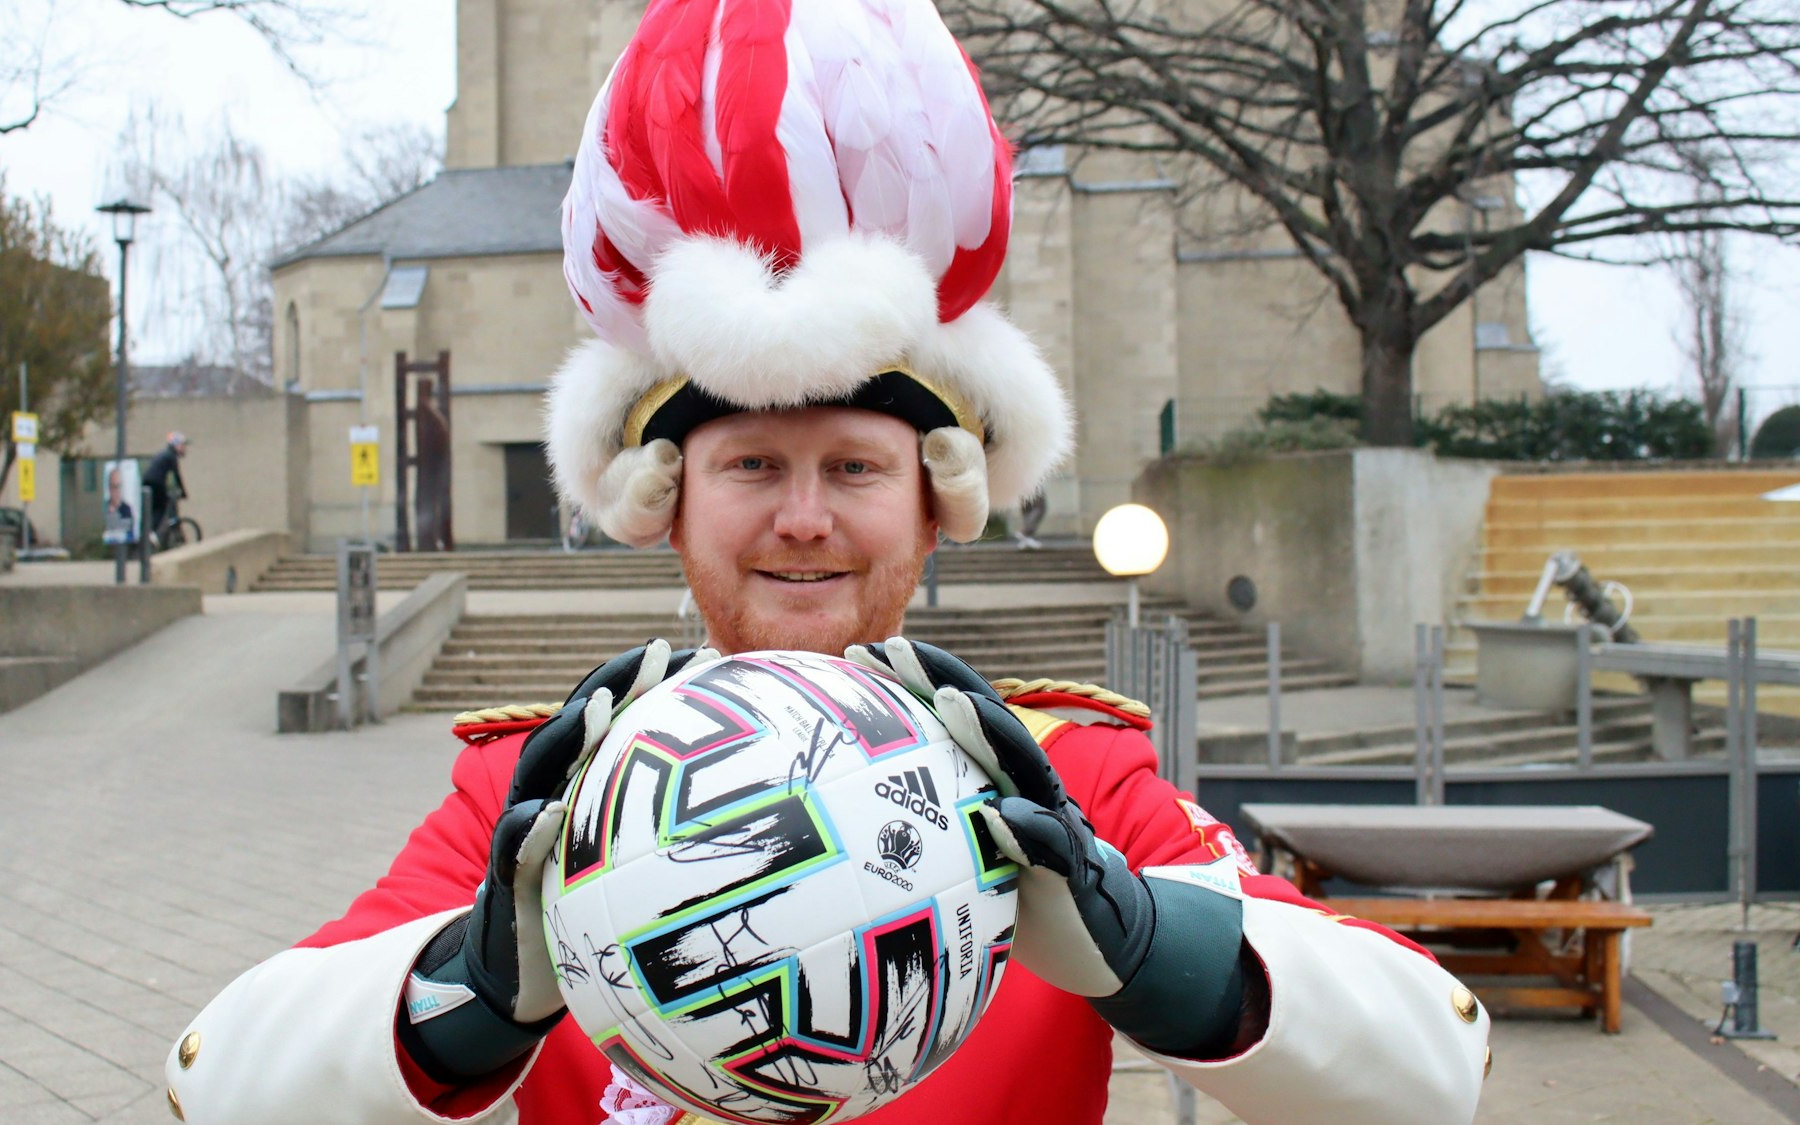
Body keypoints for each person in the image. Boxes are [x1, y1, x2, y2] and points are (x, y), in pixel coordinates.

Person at [164, 1, 1489, 1121]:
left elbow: (1439, 1062)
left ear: (935, 505)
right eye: (750, 467)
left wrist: (1154, 944)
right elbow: (218, 1084)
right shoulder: (541, 791)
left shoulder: (1061, 772)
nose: (804, 518)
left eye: (855, 468)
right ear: (668, 505)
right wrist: (461, 990)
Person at [143, 431, 189, 533]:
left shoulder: (164, 453)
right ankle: (152, 532)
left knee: (154, 508)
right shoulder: (171, 456)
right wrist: (183, 492)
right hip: (156, 482)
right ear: (176, 445)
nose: (184, 448)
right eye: (182, 445)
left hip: (149, 481)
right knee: (162, 506)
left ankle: (149, 531)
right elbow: (177, 476)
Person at [102, 466, 135, 544]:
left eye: (118, 486)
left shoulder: (127, 509)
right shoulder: (104, 507)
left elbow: (129, 534)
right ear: (109, 488)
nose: (116, 491)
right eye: (113, 487)